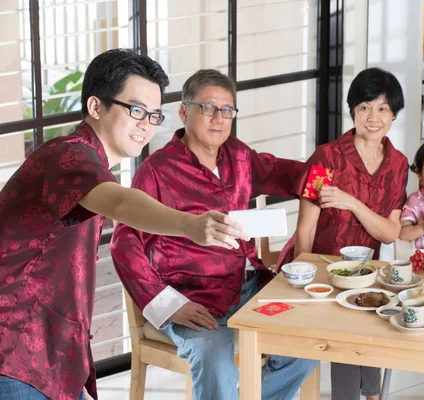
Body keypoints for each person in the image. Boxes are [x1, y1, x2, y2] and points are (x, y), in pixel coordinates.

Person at [0, 50, 252, 400]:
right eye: (135, 110)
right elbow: (120, 202)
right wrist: (190, 224)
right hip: (12, 348)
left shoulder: (91, 163)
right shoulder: (68, 154)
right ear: (95, 106)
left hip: (46, 354)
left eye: (153, 115)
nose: (146, 125)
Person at [109, 69, 318, 400]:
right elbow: (124, 243)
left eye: (227, 110)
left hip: (251, 286)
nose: (218, 118)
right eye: (207, 107)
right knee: (216, 360)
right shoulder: (157, 171)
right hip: (195, 299)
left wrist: (329, 175)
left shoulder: (238, 154)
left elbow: (285, 173)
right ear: (183, 111)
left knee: (307, 339)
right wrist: (169, 304)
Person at [277, 67, 409, 400]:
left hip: (367, 271)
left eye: (383, 108)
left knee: (369, 319)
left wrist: (351, 202)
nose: (373, 117)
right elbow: (305, 228)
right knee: (346, 323)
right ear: (352, 111)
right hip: (320, 266)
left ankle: (372, 394)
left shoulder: (398, 164)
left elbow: (391, 232)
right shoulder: (326, 158)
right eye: (365, 107)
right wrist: (303, 278)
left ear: (394, 114)